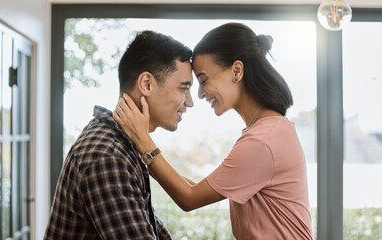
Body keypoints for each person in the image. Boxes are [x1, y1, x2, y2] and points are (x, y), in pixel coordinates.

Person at [113, 23, 313, 240]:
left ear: (236, 71)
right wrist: (141, 147)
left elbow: (189, 198)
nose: (199, 95)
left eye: (203, 80)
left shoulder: (263, 141)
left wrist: (142, 139)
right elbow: (195, 188)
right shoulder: (267, 131)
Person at [44, 30, 194, 239]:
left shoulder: (123, 146)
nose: (189, 102)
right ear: (147, 84)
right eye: (183, 88)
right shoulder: (108, 156)